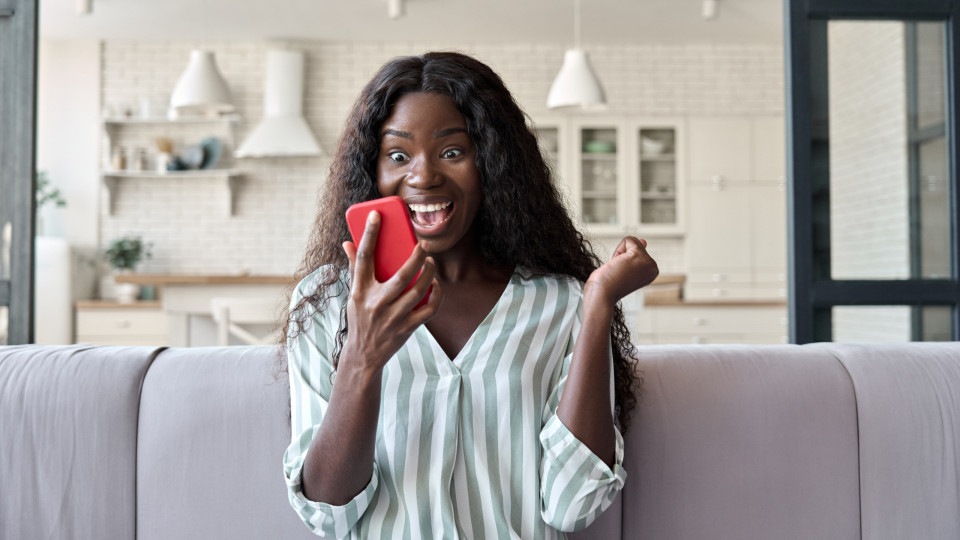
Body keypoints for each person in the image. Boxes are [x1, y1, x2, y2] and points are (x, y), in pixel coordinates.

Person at [282, 51, 659, 539]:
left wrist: (599, 303)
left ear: (493, 164)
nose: (422, 176)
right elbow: (327, 511)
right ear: (372, 170)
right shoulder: (326, 302)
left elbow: (574, 505)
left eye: (452, 151)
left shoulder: (562, 304)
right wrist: (361, 357)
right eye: (398, 155)